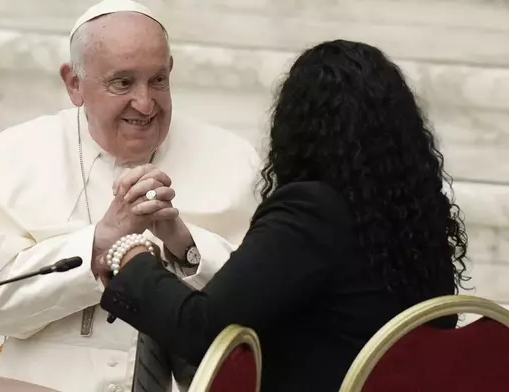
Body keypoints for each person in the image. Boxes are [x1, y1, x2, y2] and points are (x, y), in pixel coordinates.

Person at [98, 39, 470, 392]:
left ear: (299, 126)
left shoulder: (311, 212)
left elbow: (201, 330)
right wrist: (181, 240)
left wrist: (128, 253)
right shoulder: (418, 221)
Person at [0, 1, 260, 391]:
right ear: (74, 83)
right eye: (122, 83)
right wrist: (99, 242)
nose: (144, 103)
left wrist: (186, 246)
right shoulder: (8, 156)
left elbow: (256, 305)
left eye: (157, 80)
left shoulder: (234, 159)